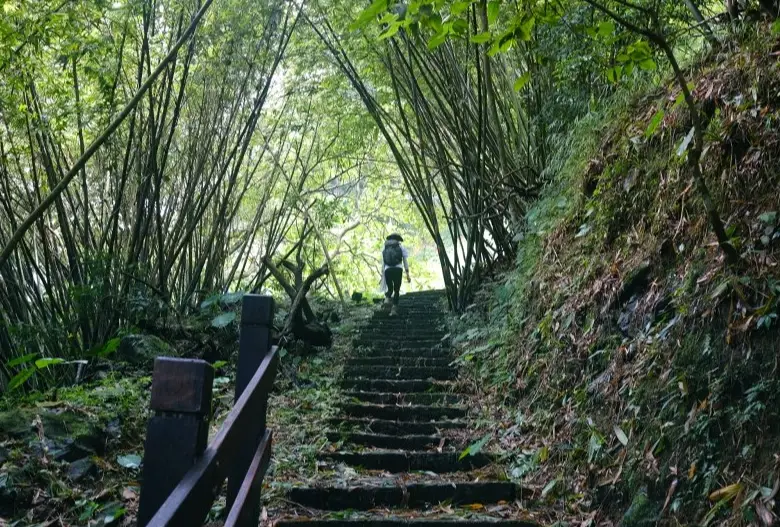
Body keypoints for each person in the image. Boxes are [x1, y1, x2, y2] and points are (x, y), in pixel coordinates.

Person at [380, 233, 409, 316]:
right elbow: (405, 261)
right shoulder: (401, 247)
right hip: (398, 269)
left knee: (390, 289)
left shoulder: (385, 247)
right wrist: (407, 274)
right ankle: (393, 309)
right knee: (396, 290)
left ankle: (387, 299)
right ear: (398, 239)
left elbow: (383, 262)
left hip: (387, 270)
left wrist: (382, 273)